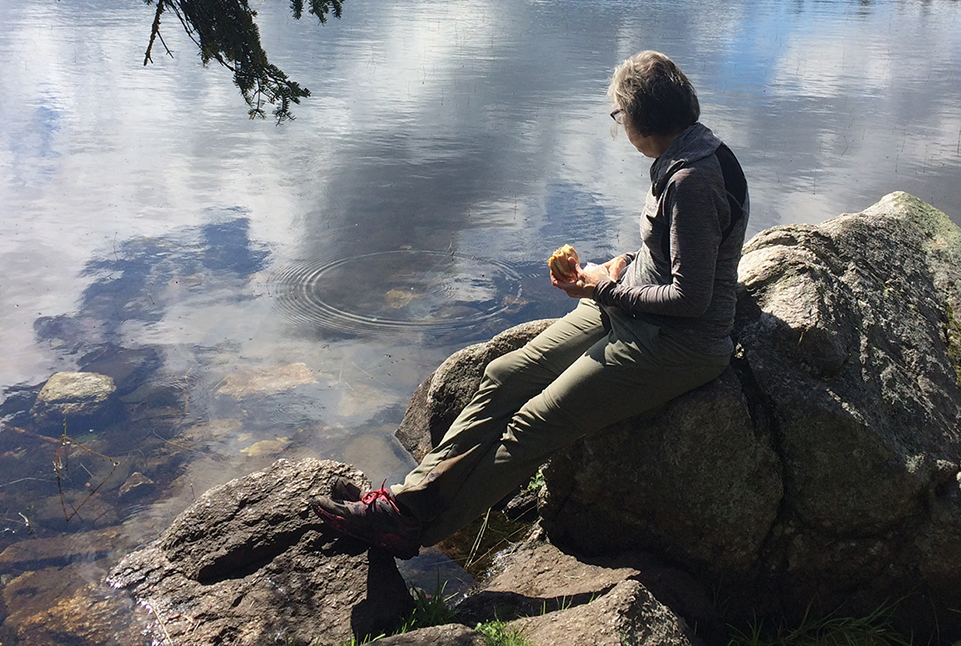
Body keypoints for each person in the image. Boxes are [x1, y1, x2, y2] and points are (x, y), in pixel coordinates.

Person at [315, 50, 749, 557]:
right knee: (503, 374)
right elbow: (677, 253)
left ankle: (407, 529)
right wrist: (619, 266)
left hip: (677, 342)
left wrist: (600, 290)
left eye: (619, 115)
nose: (619, 124)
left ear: (641, 118)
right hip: (633, 310)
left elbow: (691, 298)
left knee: (531, 426)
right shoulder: (683, 156)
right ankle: (409, 498)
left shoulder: (693, 178)